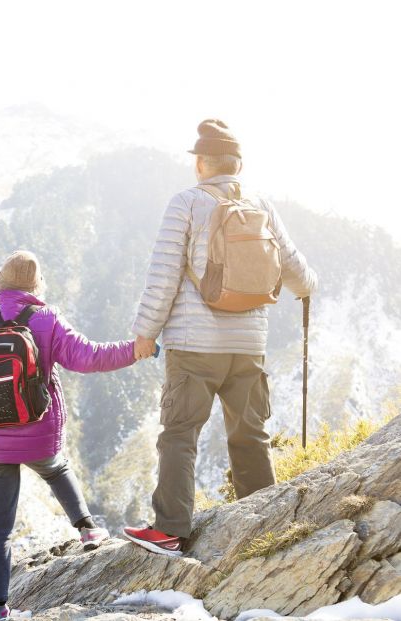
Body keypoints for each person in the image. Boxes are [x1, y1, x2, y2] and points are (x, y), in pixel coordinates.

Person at [124, 119, 318, 557]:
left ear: (200, 164)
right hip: (249, 344)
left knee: (179, 434)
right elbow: (297, 271)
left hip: (194, 346)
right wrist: (307, 289)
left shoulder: (186, 204)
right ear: (239, 165)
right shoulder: (261, 204)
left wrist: (144, 333)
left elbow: (163, 275)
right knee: (250, 434)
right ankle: (265, 526)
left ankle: (171, 530)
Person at [0, 250, 141, 621]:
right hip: (38, 433)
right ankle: (88, 530)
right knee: (55, 468)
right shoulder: (46, 320)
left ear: (0, 285)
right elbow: (90, 357)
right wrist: (136, 350)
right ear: (36, 287)